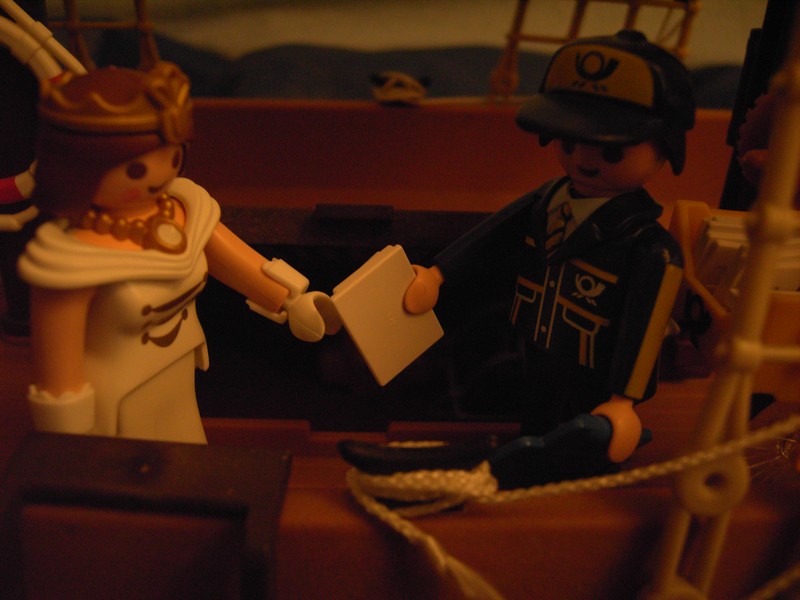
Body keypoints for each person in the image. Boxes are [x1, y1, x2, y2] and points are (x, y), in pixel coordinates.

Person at [404, 30, 695, 470]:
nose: (583, 159)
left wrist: (624, 399)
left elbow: (643, 328)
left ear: (665, 147)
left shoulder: (649, 247)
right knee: (537, 410)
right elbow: (492, 235)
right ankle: (528, 460)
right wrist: (438, 274)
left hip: (594, 361)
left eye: (612, 152)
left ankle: (573, 467)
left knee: (583, 433)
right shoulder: (548, 199)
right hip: (537, 338)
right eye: (569, 142)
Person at [18, 62, 339, 443]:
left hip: (177, 369)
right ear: (80, 168)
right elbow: (59, 361)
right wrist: (65, 429)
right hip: (115, 395)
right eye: (136, 171)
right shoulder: (69, 261)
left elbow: (235, 260)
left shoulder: (185, 209)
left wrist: (292, 299)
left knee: (188, 453)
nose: (159, 176)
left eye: (172, 158)